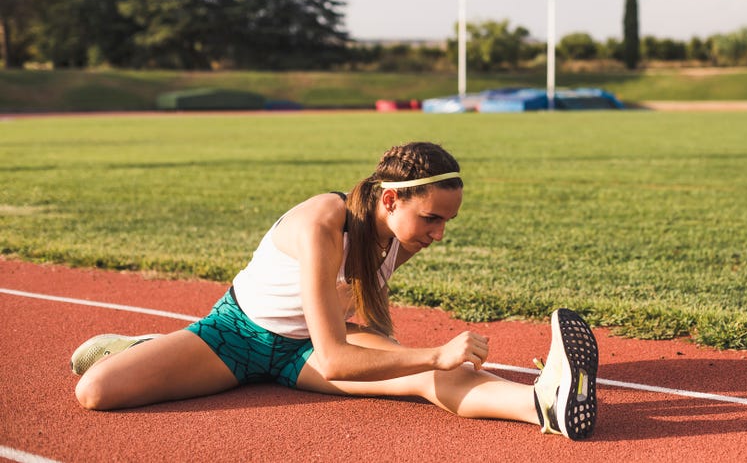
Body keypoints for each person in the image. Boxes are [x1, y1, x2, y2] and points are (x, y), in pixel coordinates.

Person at [71, 141, 599, 440]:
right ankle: (144, 347)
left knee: (427, 378)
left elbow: (363, 309)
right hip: (237, 337)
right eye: (433, 219)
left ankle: (543, 404)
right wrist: (434, 352)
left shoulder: (401, 232)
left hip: (305, 350)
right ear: (390, 199)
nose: (439, 234)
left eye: (447, 221)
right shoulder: (323, 223)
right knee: (95, 393)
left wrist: (409, 359)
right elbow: (337, 359)